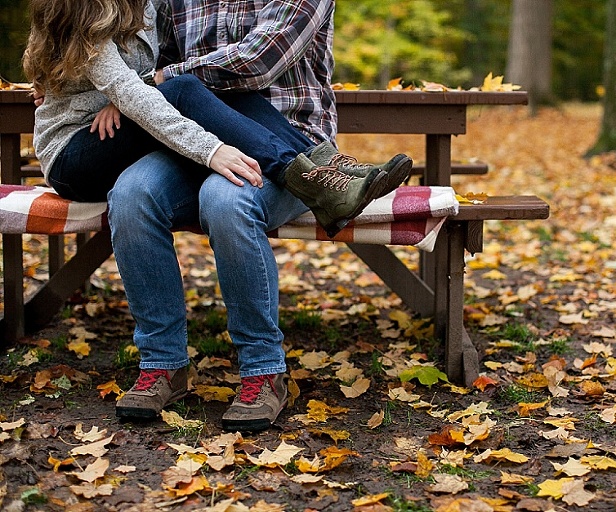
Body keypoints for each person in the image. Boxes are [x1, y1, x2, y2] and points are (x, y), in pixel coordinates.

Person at [27, 0, 412, 433]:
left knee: (226, 200)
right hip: (189, 139)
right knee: (132, 194)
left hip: (283, 134)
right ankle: (163, 364)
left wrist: (153, 83)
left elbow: (256, 63)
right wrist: (116, 91)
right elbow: (136, 57)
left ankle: (263, 370)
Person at [23, 0, 412, 237]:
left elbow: (244, 64)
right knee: (185, 89)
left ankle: (330, 169)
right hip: (77, 156)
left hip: (126, 125)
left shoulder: (144, 6)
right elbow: (129, 86)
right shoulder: (85, 18)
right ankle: (316, 182)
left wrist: (138, 88)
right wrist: (212, 149)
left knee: (222, 88)